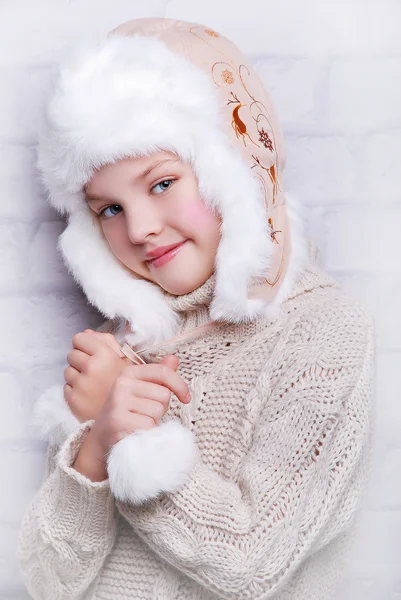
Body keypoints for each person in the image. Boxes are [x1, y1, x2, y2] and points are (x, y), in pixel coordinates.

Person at [17, 17, 375, 600]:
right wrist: (94, 445)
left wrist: (135, 438)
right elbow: (46, 580)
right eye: (108, 209)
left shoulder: (324, 333)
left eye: (160, 184)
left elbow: (254, 565)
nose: (140, 229)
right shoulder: (121, 344)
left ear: (230, 170)